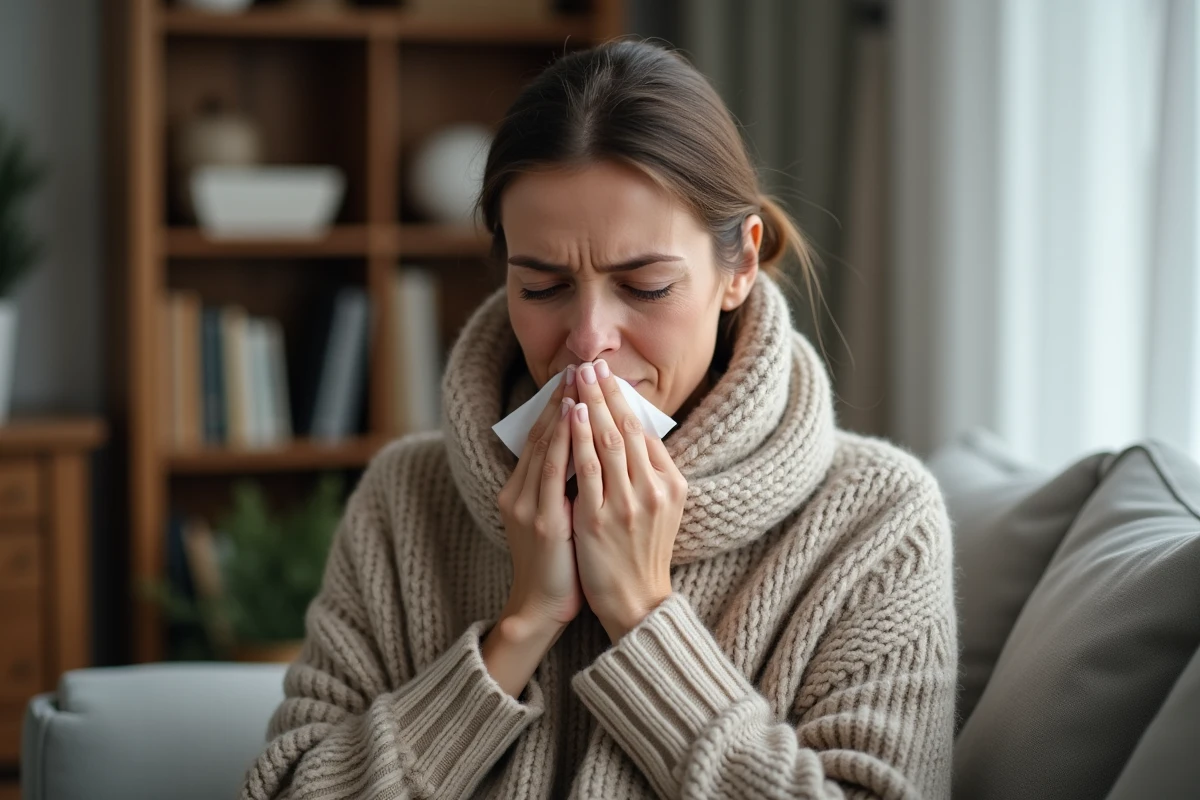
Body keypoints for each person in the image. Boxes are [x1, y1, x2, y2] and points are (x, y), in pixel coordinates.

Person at [240, 39, 956, 800]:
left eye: (644, 286)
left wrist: (643, 616)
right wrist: (519, 631)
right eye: (543, 286)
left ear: (739, 266)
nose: (586, 342)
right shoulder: (405, 499)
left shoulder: (878, 519)